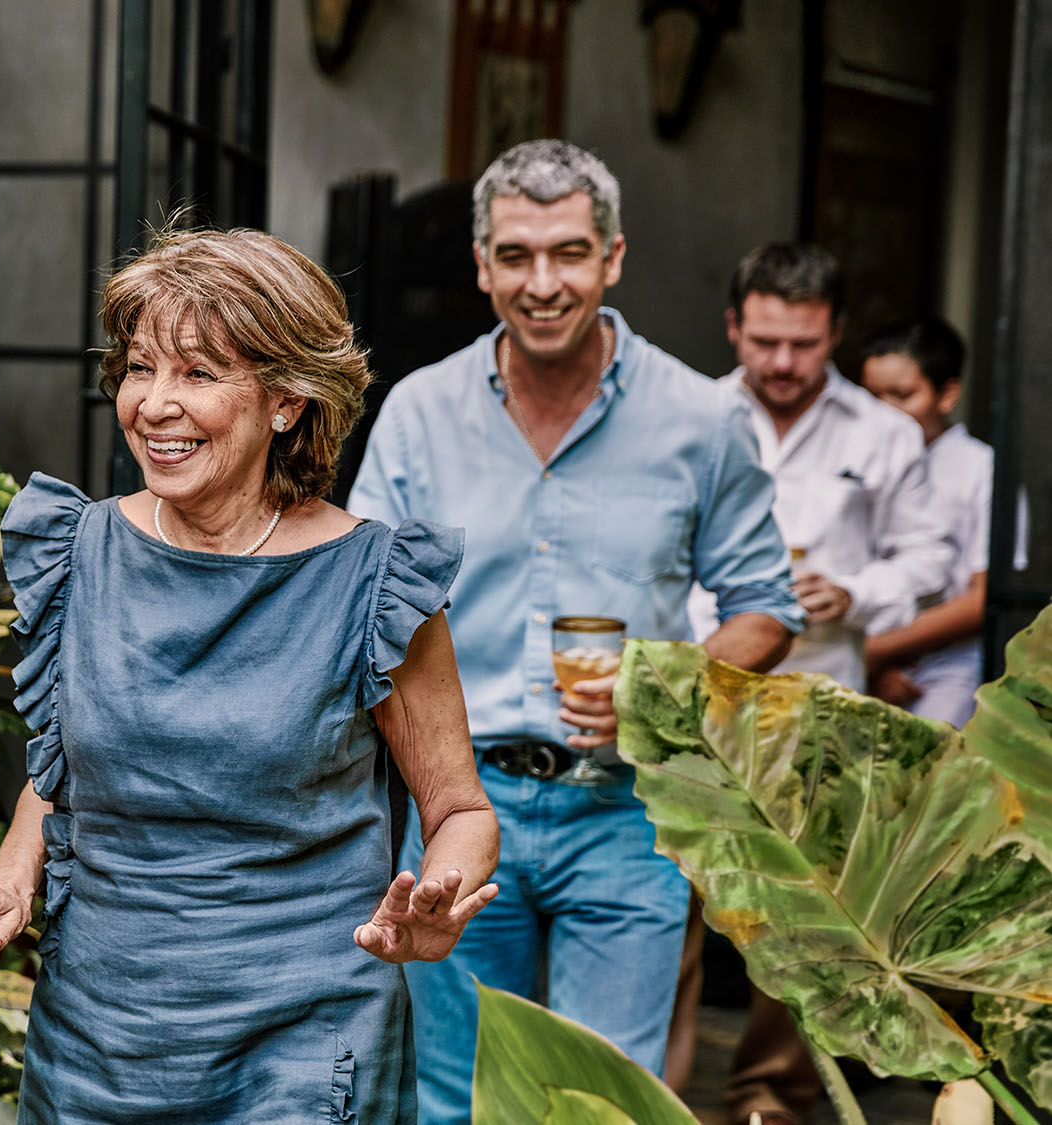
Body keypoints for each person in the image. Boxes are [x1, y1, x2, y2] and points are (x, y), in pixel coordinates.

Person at [0, 227, 501, 1123]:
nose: (155, 404)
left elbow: (460, 811)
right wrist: (10, 882)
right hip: (97, 1039)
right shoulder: (78, 550)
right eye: (140, 369)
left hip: (303, 1037)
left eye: (199, 374)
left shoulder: (374, 586)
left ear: (288, 400)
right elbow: (62, 773)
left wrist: (436, 898)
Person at [346, 138, 801, 1123]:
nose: (542, 283)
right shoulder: (420, 415)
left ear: (613, 258)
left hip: (628, 814)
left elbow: (768, 607)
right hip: (459, 806)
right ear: (482, 266)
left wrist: (666, 676)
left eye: (567, 253)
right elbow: (362, 604)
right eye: (515, 255)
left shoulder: (701, 420)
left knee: (607, 1104)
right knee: (453, 1096)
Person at [674, 244, 956, 1125]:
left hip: (824, 705)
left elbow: (934, 555)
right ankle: (655, 1098)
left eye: (801, 343)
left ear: (834, 332)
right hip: (697, 697)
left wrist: (859, 591)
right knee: (670, 912)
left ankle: (770, 1105)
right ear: (734, 328)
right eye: (763, 341)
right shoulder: (685, 414)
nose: (782, 363)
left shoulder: (883, 432)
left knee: (803, 927)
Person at [861, 316, 992, 728]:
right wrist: (870, 666)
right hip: (858, 666)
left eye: (902, 395)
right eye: (872, 396)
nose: (885, 413)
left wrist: (875, 652)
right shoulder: (858, 460)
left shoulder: (980, 470)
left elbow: (982, 600)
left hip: (944, 676)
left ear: (947, 394)